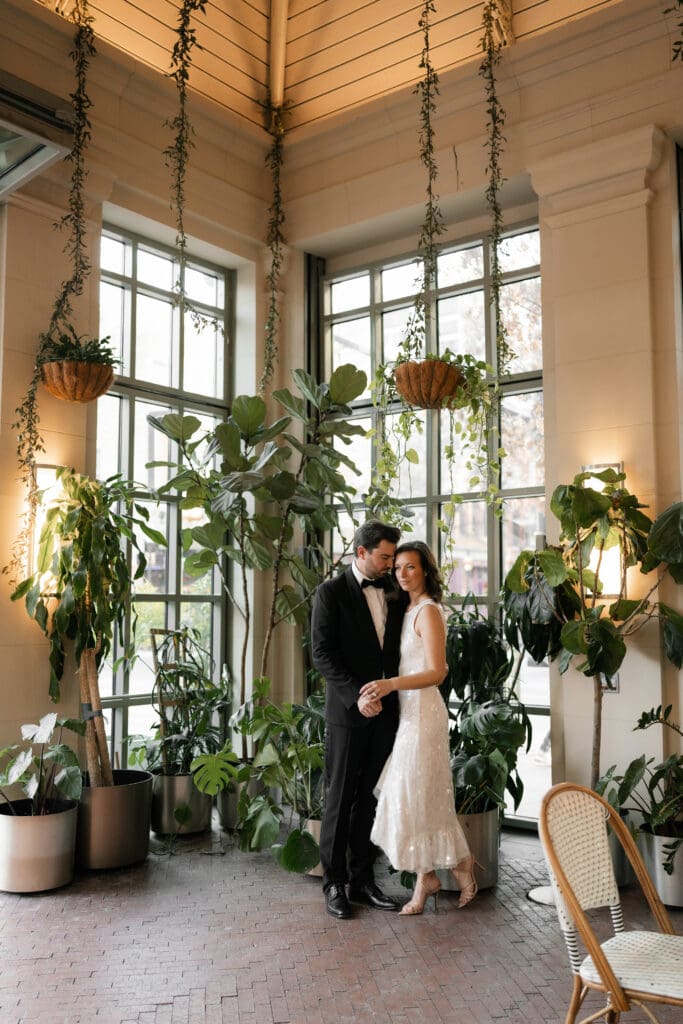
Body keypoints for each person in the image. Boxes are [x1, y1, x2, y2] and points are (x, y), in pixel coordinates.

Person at [360, 541, 478, 915]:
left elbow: (437, 671)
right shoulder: (406, 608)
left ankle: (460, 864)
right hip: (408, 714)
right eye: (397, 568)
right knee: (414, 796)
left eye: (410, 567)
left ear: (425, 570)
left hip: (425, 714)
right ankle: (428, 876)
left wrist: (392, 683)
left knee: (416, 794)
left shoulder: (427, 611)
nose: (402, 574)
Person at [311, 519, 405, 919]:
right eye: (384, 557)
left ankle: (363, 880)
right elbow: (322, 655)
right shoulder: (329, 593)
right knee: (340, 798)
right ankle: (334, 883)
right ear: (361, 552)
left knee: (369, 800)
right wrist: (358, 696)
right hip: (349, 714)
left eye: (393, 557)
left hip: (387, 712)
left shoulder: (395, 593)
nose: (390, 565)